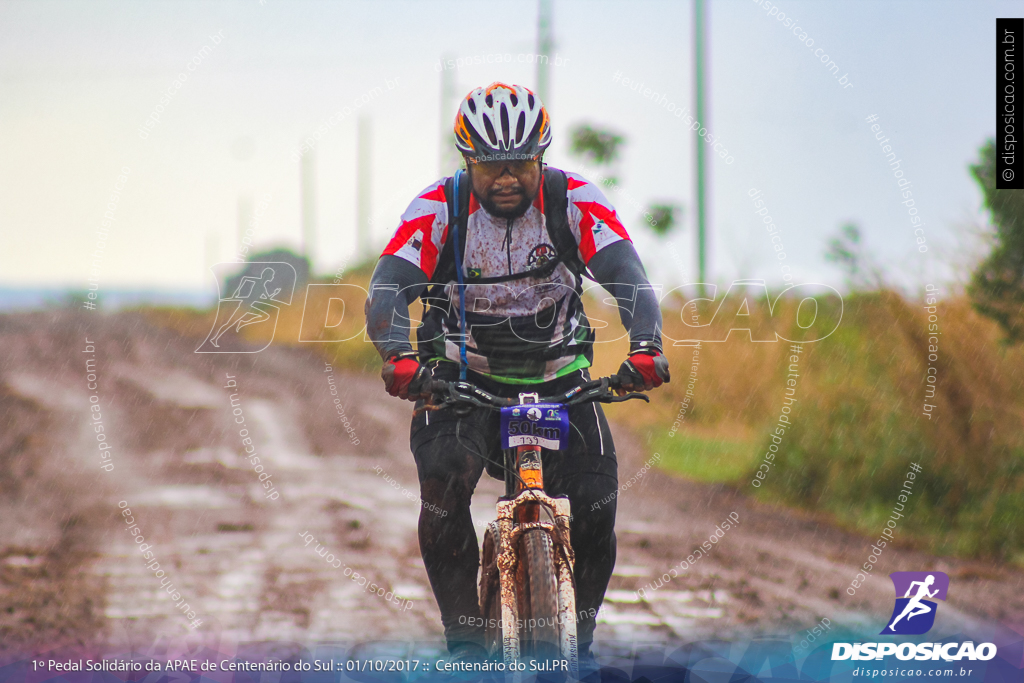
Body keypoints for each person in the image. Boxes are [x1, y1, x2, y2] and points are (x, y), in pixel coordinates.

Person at [364, 82, 669, 663]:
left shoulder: (575, 200)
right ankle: (467, 651)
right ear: (467, 162)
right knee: (443, 493)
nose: (507, 179)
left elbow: (628, 276)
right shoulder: (437, 209)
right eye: (491, 166)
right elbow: (387, 289)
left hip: (562, 379)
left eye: (521, 165)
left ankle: (577, 646)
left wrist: (647, 345)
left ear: (542, 158)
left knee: (598, 503)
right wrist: (399, 358)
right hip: (459, 380)